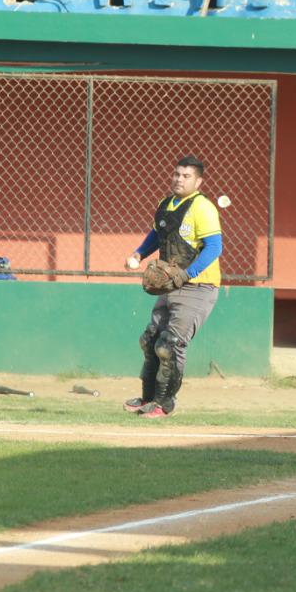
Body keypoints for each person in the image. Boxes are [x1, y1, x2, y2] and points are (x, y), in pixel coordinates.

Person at [124, 156, 223, 418]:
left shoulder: (203, 208)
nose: (179, 179)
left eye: (186, 176)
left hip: (198, 286)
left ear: (199, 181)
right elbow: (158, 234)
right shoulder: (166, 204)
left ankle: (164, 404)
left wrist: (186, 274)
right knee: (151, 340)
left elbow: (214, 247)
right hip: (172, 284)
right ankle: (148, 399)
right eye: (177, 174)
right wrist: (139, 253)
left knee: (170, 343)